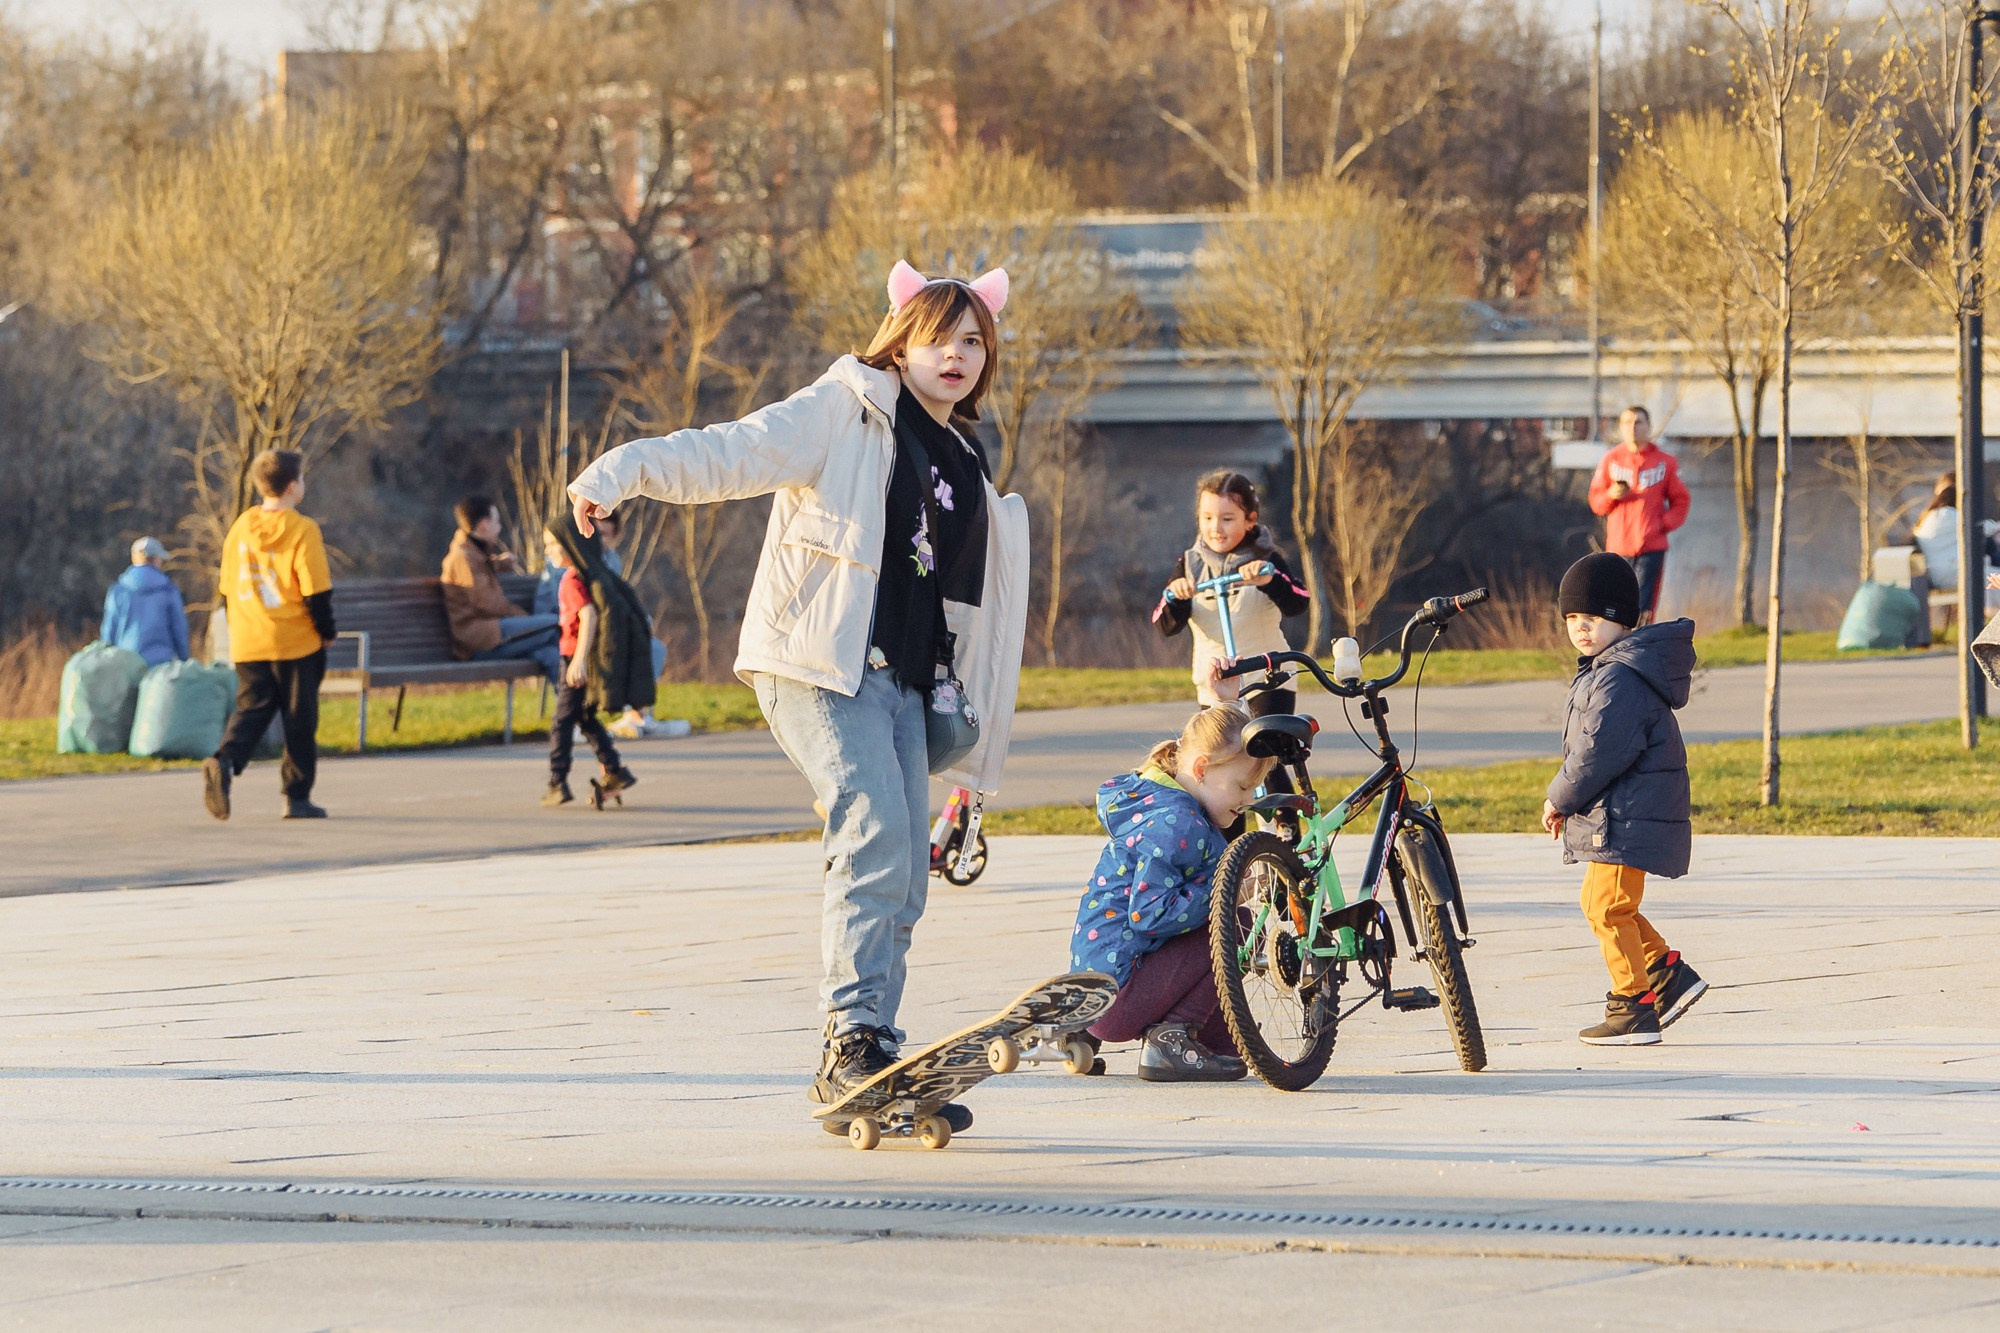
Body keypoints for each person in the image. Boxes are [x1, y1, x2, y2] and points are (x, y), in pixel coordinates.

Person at [567, 260, 1028, 1120]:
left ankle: (874, 1050)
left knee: (909, 873)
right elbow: (731, 451)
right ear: (900, 340)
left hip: (907, 686)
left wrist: (974, 749)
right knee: (873, 825)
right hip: (820, 664)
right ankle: (847, 1043)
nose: (957, 355)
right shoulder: (844, 407)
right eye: (938, 338)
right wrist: (622, 471)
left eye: (974, 341)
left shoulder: (966, 461)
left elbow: (972, 613)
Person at [1541, 553, 1708, 1046]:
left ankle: (1633, 1005)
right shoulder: (1610, 670)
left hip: (1625, 816)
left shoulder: (1619, 677)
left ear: (1622, 621)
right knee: (1607, 903)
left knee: (1607, 908)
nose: (1581, 627)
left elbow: (1598, 753)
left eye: (1594, 617)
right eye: (1572, 617)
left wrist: (1559, 798)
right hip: (1619, 813)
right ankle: (1664, 972)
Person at [1070, 693, 1269, 1081]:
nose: (1248, 800)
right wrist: (1225, 893)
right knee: (1239, 924)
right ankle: (1170, 1041)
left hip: (1098, 992)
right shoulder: (1179, 821)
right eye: (1242, 787)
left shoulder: (1163, 804)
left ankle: (1204, 1036)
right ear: (1201, 768)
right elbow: (1150, 915)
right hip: (1119, 997)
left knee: (1233, 1054)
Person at [202, 450, 334, 821]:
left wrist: (240, 627)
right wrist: (326, 631)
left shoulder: (241, 527)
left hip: (248, 639)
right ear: (292, 487)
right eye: (302, 479)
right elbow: (315, 591)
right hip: (295, 640)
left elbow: (227, 588)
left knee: (252, 709)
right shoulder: (303, 529)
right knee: (300, 718)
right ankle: (297, 796)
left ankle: (225, 761)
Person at [1153, 470, 1309, 715]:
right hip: (1215, 687)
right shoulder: (1189, 565)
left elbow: (1299, 601)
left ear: (1249, 520)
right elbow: (1164, 625)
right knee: (1220, 742)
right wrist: (1177, 597)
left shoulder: (1267, 559)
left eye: (1227, 519)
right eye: (1207, 518)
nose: (1216, 528)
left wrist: (1270, 581)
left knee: (1266, 739)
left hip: (1267, 680)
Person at [538, 522, 639, 807]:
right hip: (582, 659)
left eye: (553, 544)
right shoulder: (587, 574)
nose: (548, 551)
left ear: (570, 545)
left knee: (562, 721)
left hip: (574, 659)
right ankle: (615, 770)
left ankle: (557, 782)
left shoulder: (571, 580)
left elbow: (589, 615)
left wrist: (579, 660)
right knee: (584, 717)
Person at [440, 495, 561, 685]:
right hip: (481, 641)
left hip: (494, 635)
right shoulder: (462, 558)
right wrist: (523, 617)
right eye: (497, 522)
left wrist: (500, 564)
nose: (500, 527)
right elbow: (488, 603)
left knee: (551, 655)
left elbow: (480, 571)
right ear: (483, 525)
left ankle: (572, 704)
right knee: (555, 625)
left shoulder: (472, 553)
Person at [1587, 406, 1691, 623]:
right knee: (1616, 604)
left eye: (1638, 422)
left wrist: (1662, 524)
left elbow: (1681, 501)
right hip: (1619, 548)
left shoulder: (1665, 462)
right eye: (1627, 423)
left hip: (1651, 547)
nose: (1632, 428)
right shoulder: (1611, 460)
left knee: (1643, 607)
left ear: (1648, 426)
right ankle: (1619, 643)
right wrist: (1611, 494)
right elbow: (1597, 503)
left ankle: (1641, 642)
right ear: (1620, 427)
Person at [592, 508, 670, 739]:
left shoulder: (612, 560)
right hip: (586, 627)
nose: (598, 539)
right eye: (594, 532)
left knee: (655, 647)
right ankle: (616, 713)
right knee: (625, 644)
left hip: (608, 626)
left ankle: (637, 713)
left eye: (604, 535)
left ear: (615, 536)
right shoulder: (577, 558)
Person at [1912, 472, 1999, 617]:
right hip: (1947, 572)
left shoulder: (1933, 516)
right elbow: (1978, 526)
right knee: (1992, 576)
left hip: (1941, 570)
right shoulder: (1947, 515)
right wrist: (1996, 526)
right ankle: (1993, 612)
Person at [101, 536, 191, 667]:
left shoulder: (118, 590)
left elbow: (109, 632)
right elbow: (179, 629)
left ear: (134, 558)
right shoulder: (168, 590)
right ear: (156, 559)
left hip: (126, 664)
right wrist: (184, 658)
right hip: (161, 665)